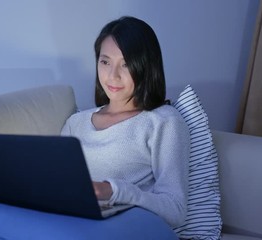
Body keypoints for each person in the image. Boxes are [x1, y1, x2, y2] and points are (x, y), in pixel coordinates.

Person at [60, 16, 190, 229]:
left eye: (126, 64)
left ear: (146, 67)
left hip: (128, 227)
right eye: (105, 62)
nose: (113, 75)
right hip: (77, 222)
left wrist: (113, 191)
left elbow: (175, 210)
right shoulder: (76, 122)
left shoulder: (164, 122)